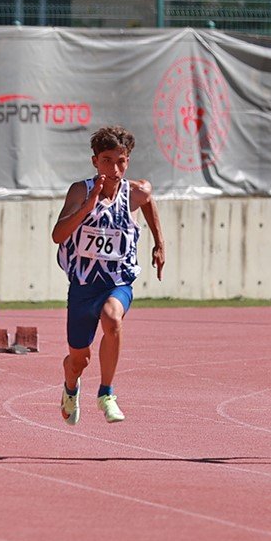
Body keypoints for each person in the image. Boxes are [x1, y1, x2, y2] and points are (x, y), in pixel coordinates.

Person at [52, 124, 165, 425]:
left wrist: (159, 243)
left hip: (117, 281)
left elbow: (149, 201)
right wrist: (88, 206)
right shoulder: (80, 191)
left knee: (113, 317)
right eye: (106, 160)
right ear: (95, 161)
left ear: (128, 160)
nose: (114, 169)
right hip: (83, 286)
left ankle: (106, 393)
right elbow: (57, 234)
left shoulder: (135, 192)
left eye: (121, 161)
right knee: (79, 360)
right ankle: (70, 387)